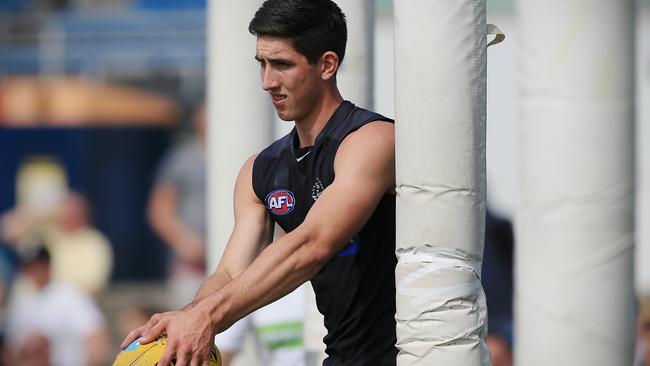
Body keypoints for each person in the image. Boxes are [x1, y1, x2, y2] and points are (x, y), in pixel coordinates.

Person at [122, 1, 397, 365]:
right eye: (262, 64)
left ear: (327, 65)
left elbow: (313, 245)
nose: (268, 82)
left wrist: (207, 317)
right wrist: (186, 320)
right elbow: (231, 273)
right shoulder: (260, 170)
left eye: (282, 64)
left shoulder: (372, 140)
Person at [5, 244, 110, 366]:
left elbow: (96, 337)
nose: (35, 271)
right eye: (30, 267)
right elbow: (12, 348)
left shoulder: (69, 295)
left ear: (48, 265)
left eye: (39, 265)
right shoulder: (22, 300)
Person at [148, 104, 207, 309]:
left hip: (235, 263)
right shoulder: (181, 158)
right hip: (191, 267)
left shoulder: (241, 153)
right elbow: (159, 209)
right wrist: (186, 243)